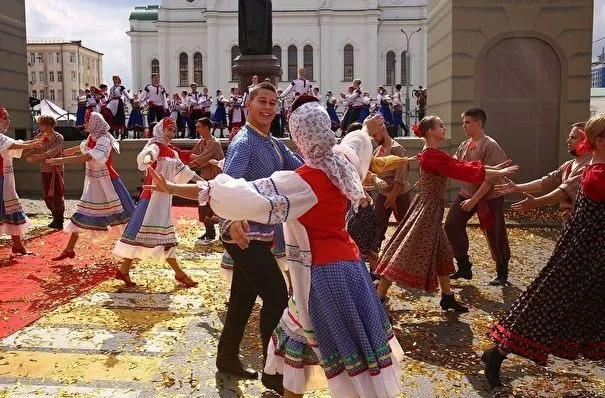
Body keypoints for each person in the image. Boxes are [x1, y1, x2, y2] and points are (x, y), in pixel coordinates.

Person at [143, 99, 406, 398]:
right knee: (297, 340)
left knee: (341, 359)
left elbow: (240, 194)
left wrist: (174, 188)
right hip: (349, 269)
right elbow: (358, 143)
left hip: (321, 277)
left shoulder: (304, 182)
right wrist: (369, 132)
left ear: (299, 137)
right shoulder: (342, 163)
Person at [481, 114, 605, 389]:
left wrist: (528, 196)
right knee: (545, 304)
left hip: (588, 252)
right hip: (582, 254)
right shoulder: (595, 172)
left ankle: (498, 352)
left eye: (575, 137)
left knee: (569, 308)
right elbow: (556, 187)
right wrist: (529, 196)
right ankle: (497, 353)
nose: (570, 140)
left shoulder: (589, 167)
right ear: (599, 141)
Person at [374, 116, 518, 311]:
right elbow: (460, 169)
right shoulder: (433, 154)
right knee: (405, 251)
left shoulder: (433, 153)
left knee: (443, 252)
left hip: (430, 207)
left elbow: (462, 166)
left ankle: (448, 297)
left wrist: (495, 169)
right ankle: (378, 297)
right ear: (431, 132)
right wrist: (496, 173)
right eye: (440, 126)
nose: (444, 128)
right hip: (427, 209)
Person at [214, 82, 304, 393]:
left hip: (260, 235)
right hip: (242, 235)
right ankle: (272, 370)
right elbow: (226, 183)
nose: (267, 107)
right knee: (278, 297)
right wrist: (232, 217)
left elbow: (303, 171)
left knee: (242, 299)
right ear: (248, 105)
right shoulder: (245, 142)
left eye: (272, 103)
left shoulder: (274, 143)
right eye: (261, 101)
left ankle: (226, 358)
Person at [112, 118, 200, 288]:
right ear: (160, 129)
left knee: (141, 235)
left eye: (174, 131)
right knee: (157, 236)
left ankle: (124, 270)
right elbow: (150, 153)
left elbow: (185, 172)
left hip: (163, 198)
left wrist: (204, 183)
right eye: (169, 130)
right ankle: (180, 274)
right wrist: (147, 159)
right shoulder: (155, 146)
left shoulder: (172, 152)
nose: (172, 134)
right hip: (150, 197)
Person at [47, 112, 135, 261]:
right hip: (95, 182)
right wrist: (69, 151)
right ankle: (69, 249)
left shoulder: (105, 140)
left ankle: (132, 248)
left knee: (124, 216)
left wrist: (62, 160)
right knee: (82, 213)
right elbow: (84, 147)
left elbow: (89, 156)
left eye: (88, 122)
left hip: (108, 182)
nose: (85, 124)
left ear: (95, 123)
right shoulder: (92, 137)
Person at [444, 108, 511, 286]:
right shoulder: (465, 145)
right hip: (467, 192)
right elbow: (454, 165)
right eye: (463, 122)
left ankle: (502, 271)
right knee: (452, 225)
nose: (463, 126)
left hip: (490, 196)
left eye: (467, 122)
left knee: (494, 233)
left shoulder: (490, 145)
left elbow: (491, 178)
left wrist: (474, 200)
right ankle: (464, 266)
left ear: (479, 123)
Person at [496, 122, 591, 220]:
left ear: (586, 141)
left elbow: (564, 191)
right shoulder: (568, 165)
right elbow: (546, 182)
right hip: (570, 223)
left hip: (585, 224)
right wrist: (516, 188)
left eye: (573, 138)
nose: (568, 140)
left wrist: (537, 202)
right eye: (569, 137)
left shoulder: (589, 167)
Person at [0, 107, 42, 255]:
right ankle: (18, 245)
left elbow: (15, 145)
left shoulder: (2, 137)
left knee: (11, 208)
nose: (8, 121)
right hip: (2, 179)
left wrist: (33, 143)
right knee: (7, 208)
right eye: (5, 118)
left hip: (4, 179)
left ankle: (18, 245)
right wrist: (33, 144)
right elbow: (13, 145)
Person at [369, 117, 413, 252]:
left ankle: (407, 255)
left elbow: (400, 176)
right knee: (378, 225)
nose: (374, 138)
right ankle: (374, 257)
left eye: (375, 135)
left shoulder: (397, 149)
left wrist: (393, 195)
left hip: (399, 194)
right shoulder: (378, 151)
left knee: (405, 225)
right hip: (384, 193)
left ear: (382, 130)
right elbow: (372, 170)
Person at [26, 115, 65, 229]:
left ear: (49, 124)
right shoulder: (40, 136)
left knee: (57, 195)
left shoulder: (59, 137)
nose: (40, 126)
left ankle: (59, 219)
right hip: (44, 169)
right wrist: (26, 150)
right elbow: (33, 147)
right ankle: (55, 216)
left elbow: (52, 151)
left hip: (56, 169)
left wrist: (37, 157)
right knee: (47, 195)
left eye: (42, 124)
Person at [189, 118, 224, 244]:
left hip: (216, 178)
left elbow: (201, 158)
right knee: (203, 205)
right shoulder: (201, 142)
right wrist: (197, 160)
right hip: (205, 177)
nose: (197, 129)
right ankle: (209, 231)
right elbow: (194, 156)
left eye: (199, 127)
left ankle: (222, 232)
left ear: (206, 128)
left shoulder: (215, 143)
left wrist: (194, 161)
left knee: (216, 206)